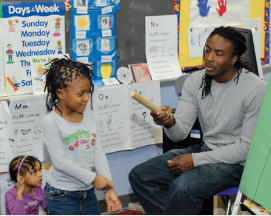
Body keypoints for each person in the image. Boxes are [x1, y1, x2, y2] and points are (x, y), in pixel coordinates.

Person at [129, 26, 267, 215]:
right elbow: (179, 134)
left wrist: (196, 160)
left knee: (182, 188)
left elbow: (245, 149)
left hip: (238, 164)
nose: (209, 58)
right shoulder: (196, 81)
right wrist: (169, 122)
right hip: (208, 150)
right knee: (140, 176)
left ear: (234, 58)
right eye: (207, 50)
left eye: (219, 54)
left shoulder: (255, 89)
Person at [42, 56, 122, 215]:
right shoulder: (51, 121)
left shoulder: (91, 116)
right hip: (61, 195)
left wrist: (109, 187)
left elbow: (98, 152)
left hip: (88, 193)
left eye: (88, 92)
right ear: (61, 93)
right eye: (80, 94)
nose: (86, 98)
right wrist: (94, 178)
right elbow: (60, 162)